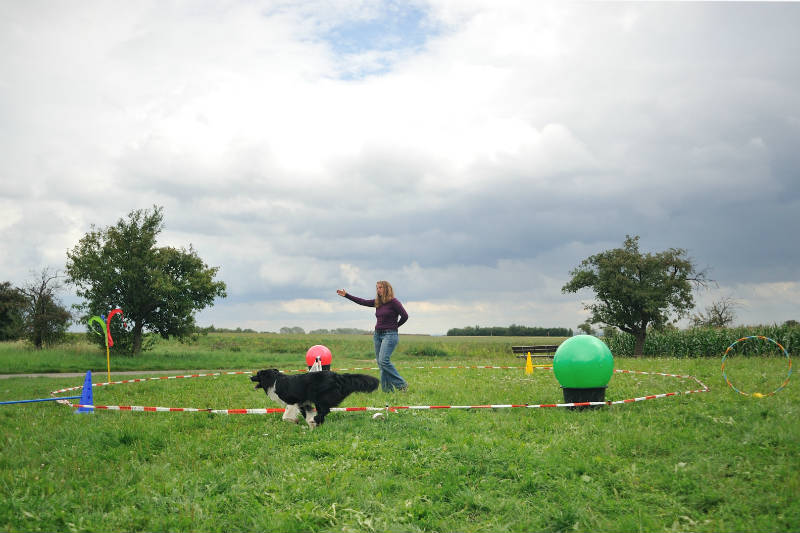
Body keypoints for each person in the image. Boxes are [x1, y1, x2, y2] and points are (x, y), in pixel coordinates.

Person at [337, 281, 408, 392]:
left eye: (380, 287)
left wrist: (395, 326)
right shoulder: (378, 302)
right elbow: (362, 302)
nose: (378, 289)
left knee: (384, 361)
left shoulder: (394, 302)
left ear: (387, 289)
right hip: (377, 334)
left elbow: (405, 316)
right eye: (377, 288)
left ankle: (401, 384)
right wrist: (347, 295)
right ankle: (387, 391)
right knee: (381, 364)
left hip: (390, 334)